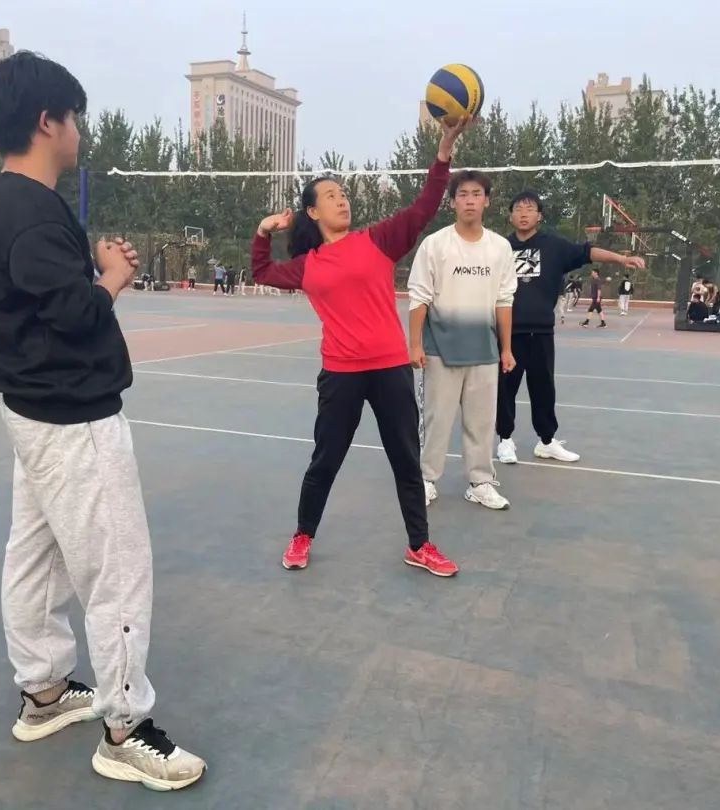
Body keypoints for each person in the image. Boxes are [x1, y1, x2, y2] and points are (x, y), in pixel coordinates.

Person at [0, 51, 206, 791]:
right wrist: (113, 276)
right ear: (48, 121)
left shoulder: (11, 203)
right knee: (118, 569)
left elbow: (51, 300)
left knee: (37, 554)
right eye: (73, 116)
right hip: (72, 418)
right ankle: (125, 728)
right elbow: (76, 313)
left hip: (34, 413)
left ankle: (45, 691)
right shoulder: (31, 211)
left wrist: (98, 270)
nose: (79, 129)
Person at [252, 116, 471, 578]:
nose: (342, 199)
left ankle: (419, 545)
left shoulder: (377, 240)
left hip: (391, 370)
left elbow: (424, 207)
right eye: (331, 195)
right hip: (341, 375)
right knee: (325, 461)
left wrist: (443, 153)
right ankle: (303, 534)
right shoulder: (307, 265)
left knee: (405, 461)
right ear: (312, 212)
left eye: (343, 193)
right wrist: (263, 231)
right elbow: (262, 271)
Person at [497, 190, 645, 465]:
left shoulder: (554, 246)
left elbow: (587, 252)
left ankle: (546, 442)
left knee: (543, 389)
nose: (523, 213)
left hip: (541, 332)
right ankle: (505, 440)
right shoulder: (499, 248)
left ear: (539, 216)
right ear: (510, 216)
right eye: (518, 209)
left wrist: (621, 259)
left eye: (529, 209)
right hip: (508, 334)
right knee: (505, 388)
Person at [408, 169, 516, 512]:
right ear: (452, 202)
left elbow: (504, 300)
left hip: (484, 351)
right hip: (440, 350)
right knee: (436, 421)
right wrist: (415, 345)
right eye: (463, 194)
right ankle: (426, 479)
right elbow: (419, 297)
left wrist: (506, 348)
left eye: (476, 194)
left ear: (487, 201)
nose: (470, 201)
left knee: (481, 423)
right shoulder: (435, 244)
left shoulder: (500, 248)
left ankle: (480, 482)